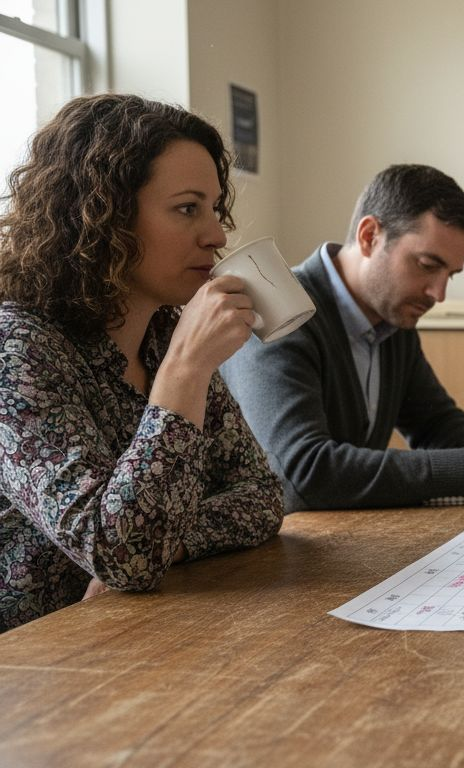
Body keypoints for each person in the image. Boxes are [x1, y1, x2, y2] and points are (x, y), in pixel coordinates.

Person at [0, 94, 284, 632]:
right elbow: (124, 555)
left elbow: (262, 498)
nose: (218, 235)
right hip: (32, 667)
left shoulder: (161, 337)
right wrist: (185, 371)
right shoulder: (18, 350)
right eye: (187, 208)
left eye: (214, 208)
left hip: (134, 635)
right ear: (101, 215)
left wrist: (159, 545)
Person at [220, 165, 464, 511]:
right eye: (426, 265)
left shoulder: (392, 317)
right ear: (369, 236)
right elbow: (302, 474)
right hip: (274, 554)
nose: (439, 293)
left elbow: (435, 424)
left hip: (350, 543)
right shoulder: (282, 311)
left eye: (450, 275)